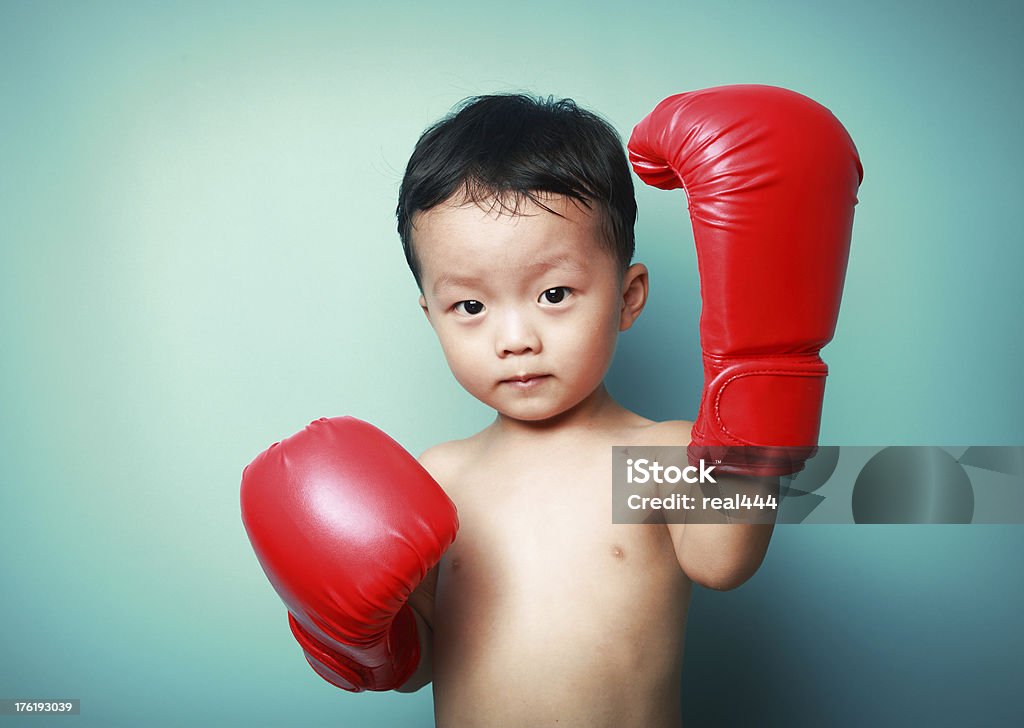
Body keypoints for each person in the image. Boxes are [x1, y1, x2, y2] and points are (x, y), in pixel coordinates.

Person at [241, 87, 862, 727]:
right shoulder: (439, 476)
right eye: (471, 307)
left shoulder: (654, 457)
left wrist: (761, 374)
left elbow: (723, 560)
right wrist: (362, 641)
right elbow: (420, 664)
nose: (516, 339)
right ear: (431, 317)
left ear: (628, 297)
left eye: (555, 292)